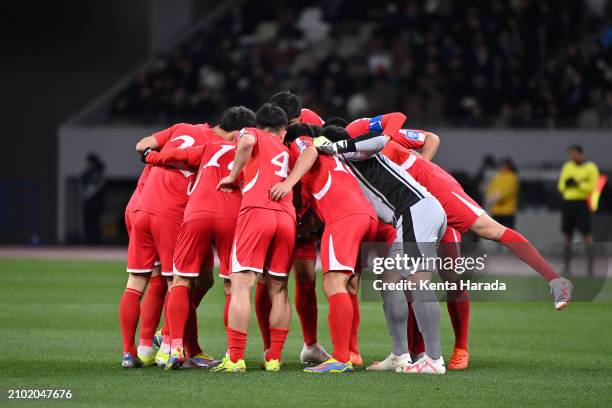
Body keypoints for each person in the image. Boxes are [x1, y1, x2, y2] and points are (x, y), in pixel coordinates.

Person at [340, 121, 574, 371]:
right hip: (412, 205)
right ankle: (413, 354)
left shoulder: (365, 136)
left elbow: (431, 138)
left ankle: (554, 281)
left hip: (435, 189)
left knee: (474, 248)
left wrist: (424, 162)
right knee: (405, 278)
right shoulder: (354, 154)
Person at [315, 126, 448, 375]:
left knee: (419, 282)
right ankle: (400, 355)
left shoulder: (354, 152)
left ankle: (434, 358)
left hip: (415, 211)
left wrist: (336, 147)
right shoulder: (346, 166)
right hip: (415, 213)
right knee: (389, 281)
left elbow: (381, 138)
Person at [141, 107, 256, 369]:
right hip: (231, 215)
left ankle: (174, 347)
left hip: (197, 213)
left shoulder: (208, 148)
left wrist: (152, 157)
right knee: (233, 286)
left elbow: (175, 156)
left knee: (180, 280)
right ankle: (232, 353)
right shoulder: (252, 153)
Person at [269, 123, 381, 373]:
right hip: (367, 216)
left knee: (332, 283)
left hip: (344, 218)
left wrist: (288, 182)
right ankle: (351, 352)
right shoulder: (334, 159)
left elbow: (308, 151)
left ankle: (340, 358)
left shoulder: (304, 144)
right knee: (349, 285)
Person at [120, 119, 218, 368]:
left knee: (144, 280)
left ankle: (137, 350)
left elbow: (141, 145)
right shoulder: (215, 145)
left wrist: (152, 156)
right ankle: (168, 345)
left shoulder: (181, 129)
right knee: (179, 281)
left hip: (138, 208)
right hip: (170, 212)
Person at [213, 104, 296, 373]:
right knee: (279, 290)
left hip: (257, 212)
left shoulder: (252, 132)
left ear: (261, 125)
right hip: (286, 216)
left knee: (241, 285)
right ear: (283, 131)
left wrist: (232, 175)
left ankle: (236, 358)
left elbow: (246, 142)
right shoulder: (285, 151)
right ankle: (274, 357)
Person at [267, 91, 331, 364]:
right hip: (276, 210)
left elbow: (319, 156)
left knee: (305, 278)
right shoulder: (264, 127)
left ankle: (310, 345)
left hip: (303, 212)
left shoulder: (311, 122)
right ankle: (270, 348)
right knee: (270, 281)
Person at [558, 144, 600, 276]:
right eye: (570, 154)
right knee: (567, 235)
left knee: (586, 234)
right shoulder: (567, 166)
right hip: (568, 203)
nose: (572, 156)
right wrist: (567, 185)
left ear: (580, 153)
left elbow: (592, 187)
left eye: (574, 153)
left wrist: (577, 184)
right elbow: (561, 186)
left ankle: (590, 267)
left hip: (582, 203)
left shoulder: (591, 168)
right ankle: (567, 267)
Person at [486, 158, 520, 229]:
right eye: (502, 165)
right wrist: (490, 197)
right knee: (497, 233)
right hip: (496, 211)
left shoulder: (512, 177)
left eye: (504, 165)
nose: (503, 167)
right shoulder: (497, 177)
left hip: (508, 211)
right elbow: (491, 188)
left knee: (509, 232)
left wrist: (497, 197)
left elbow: (509, 191)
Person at [80, 153, 106, 244]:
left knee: (96, 223)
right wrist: (84, 193)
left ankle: (96, 241)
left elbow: (98, 186)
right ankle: (87, 241)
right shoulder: (85, 174)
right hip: (87, 203)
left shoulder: (99, 173)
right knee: (87, 222)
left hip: (96, 203)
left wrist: (88, 194)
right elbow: (81, 185)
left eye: (90, 162)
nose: (89, 164)